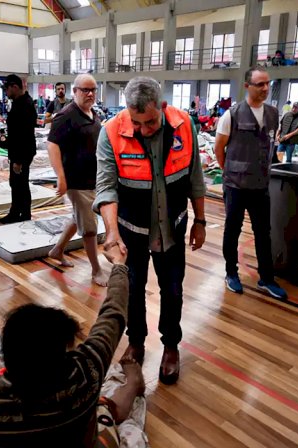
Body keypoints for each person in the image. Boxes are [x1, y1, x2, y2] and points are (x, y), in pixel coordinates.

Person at [94, 77, 207, 384]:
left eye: (150, 122)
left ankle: (171, 345)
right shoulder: (111, 133)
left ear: (163, 107)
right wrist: (112, 233)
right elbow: (105, 187)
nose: (142, 129)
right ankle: (136, 341)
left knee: (172, 289)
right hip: (132, 230)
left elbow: (195, 175)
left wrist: (200, 220)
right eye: (136, 122)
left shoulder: (184, 124)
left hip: (173, 227)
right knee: (133, 290)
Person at [0, 242, 145, 447]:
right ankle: (133, 382)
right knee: (105, 407)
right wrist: (119, 264)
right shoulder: (85, 373)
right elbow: (114, 314)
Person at [214, 66, 288, 300]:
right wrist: (229, 172)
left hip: (260, 186)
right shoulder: (232, 114)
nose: (265, 88)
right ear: (247, 86)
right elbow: (219, 148)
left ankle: (266, 278)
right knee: (232, 230)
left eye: (268, 84)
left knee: (263, 233)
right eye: (260, 84)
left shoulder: (274, 114)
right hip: (235, 185)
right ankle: (231, 273)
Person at [46, 74, 107, 287]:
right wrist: (61, 177)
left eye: (93, 90)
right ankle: (96, 271)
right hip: (77, 180)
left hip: (93, 178)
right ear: (75, 91)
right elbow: (52, 145)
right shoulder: (66, 115)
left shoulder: (93, 113)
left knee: (78, 217)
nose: (90, 94)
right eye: (85, 90)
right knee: (90, 227)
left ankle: (57, 249)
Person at [0, 74, 37, 224]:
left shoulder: (25, 105)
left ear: (14, 87)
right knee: (18, 184)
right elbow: (16, 133)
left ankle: (21, 214)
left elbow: (23, 135)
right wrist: (4, 142)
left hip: (22, 153)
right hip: (20, 150)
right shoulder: (20, 102)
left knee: (20, 184)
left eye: (7, 89)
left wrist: (18, 160)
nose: (6, 92)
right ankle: (19, 213)